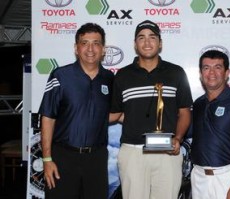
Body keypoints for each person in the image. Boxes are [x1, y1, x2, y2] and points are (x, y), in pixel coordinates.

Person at [110, 20, 193, 199]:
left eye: (152, 37)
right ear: (135, 44)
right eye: (141, 38)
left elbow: (185, 112)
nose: (147, 42)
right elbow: (115, 113)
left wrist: (178, 138)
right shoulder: (123, 75)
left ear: (160, 43)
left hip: (167, 153)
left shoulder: (176, 73)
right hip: (133, 152)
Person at [39, 23, 114, 199]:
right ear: (76, 48)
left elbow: (113, 114)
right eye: (84, 42)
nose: (90, 48)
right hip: (63, 157)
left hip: (96, 159)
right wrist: (47, 159)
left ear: (103, 49)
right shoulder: (60, 76)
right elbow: (48, 117)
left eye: (96, 43)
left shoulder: (110, 79)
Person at [191, 49, 230, 199]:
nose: (211, 73)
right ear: (201, 74)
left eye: (218, 67)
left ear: (227, 73)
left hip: (227, 178)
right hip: (199, 178)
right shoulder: (198, 104)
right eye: (206, 68)